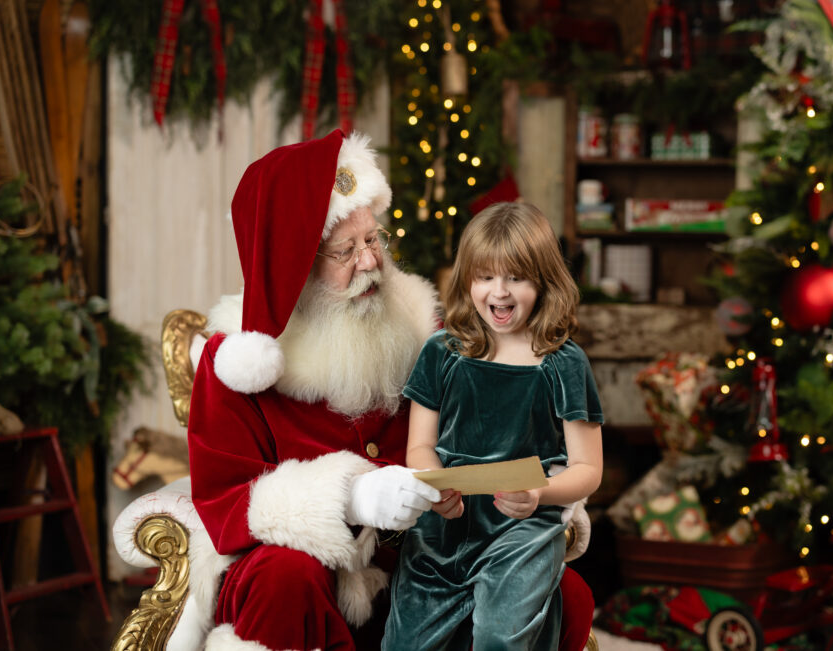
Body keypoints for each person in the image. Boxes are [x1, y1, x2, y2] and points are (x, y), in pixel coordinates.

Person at [186, 131, 596, 651]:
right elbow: (224, 501)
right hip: (316, 576)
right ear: (293, 270)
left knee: (566, 593)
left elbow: (503, 426)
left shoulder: (429, 330)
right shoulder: (237, 363)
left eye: (373, 239)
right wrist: (349, 498)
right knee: (282, 576)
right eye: (345, 251)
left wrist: (535, 492)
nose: (370, 262)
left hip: (430, 553)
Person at [382, 202, 604, 651]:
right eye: (485, 276)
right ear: (467, 279)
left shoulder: (563, 362)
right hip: (445, 525)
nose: (498, 293)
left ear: (543, 280)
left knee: (501, 638)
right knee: (405, 643)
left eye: (516, 277)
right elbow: (420, 447)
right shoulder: (442, 352)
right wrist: (435, 487)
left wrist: (540, 493)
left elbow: (587, 468)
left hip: (522, 527)